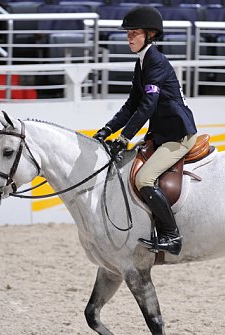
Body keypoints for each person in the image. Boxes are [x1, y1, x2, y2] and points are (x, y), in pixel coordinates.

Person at [93, 5, 198, 256]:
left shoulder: (156, 62)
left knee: (143, 179)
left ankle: (171, 236)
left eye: (133, 33)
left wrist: (124, 137)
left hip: (177, 135)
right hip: (161, 134)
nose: (128, 38)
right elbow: (132, 104)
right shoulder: (142, 63)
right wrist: (107, 129)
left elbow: (148, 106)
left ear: (150, 34)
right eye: (127, 34)